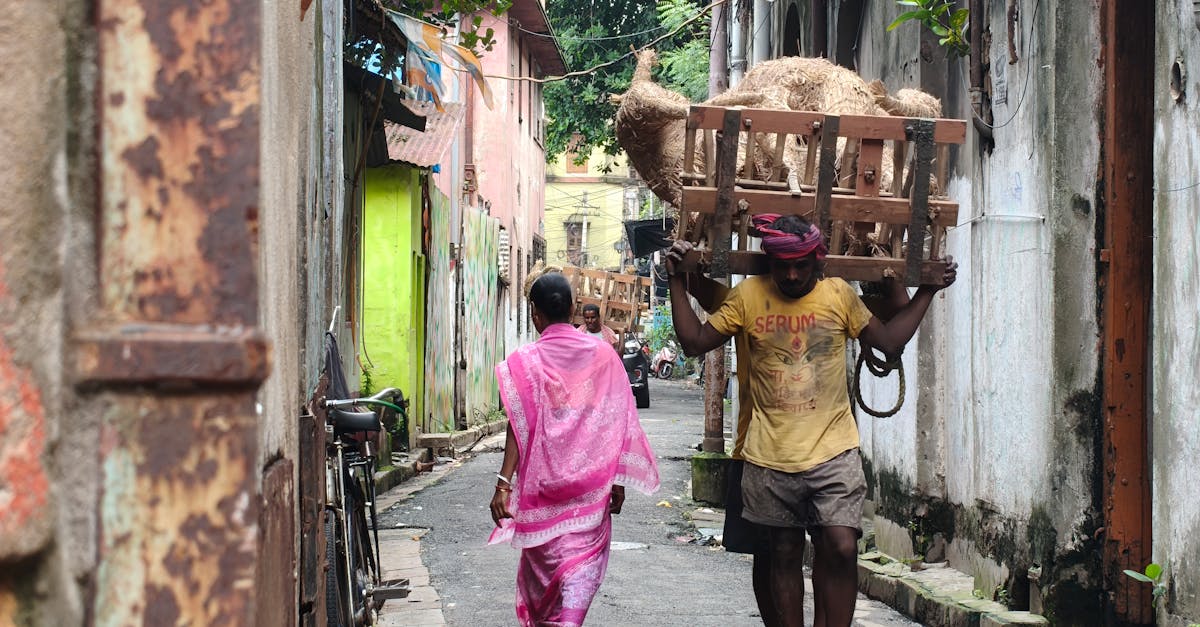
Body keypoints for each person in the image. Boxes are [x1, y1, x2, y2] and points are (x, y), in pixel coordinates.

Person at [665, 214, 956, 627]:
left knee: (841, 545)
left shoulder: (838, 295)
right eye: (783, 264)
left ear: (817, 260)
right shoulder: (747, 297)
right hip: (769, 455)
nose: (791, 273)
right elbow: (694, 342)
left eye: (801, 264)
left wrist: (928, 290)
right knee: (781, 553)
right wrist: (677, 280)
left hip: (834, 450)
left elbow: (888, 340)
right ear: (769, 260)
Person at [489, 271, 661, 627]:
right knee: (578, 578)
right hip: (590, 491)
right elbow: (617, 419)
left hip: (542, 493)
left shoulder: (524, 362)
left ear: (535, 314)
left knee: (547, 585)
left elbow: (517, 426)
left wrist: (504, 484)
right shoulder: (602, 357)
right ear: (572, 309)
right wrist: (617, 480)